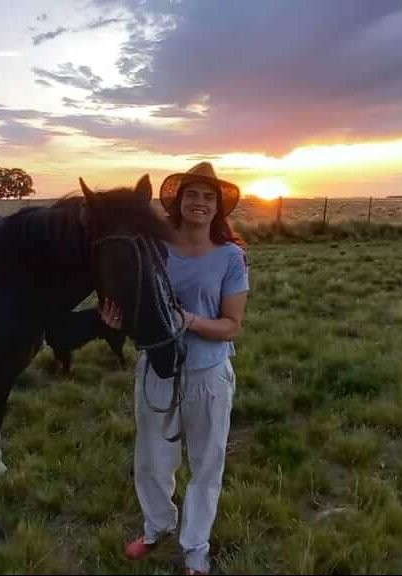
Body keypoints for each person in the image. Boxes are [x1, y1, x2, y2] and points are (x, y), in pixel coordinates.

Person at [99, 161, 249, 575]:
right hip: (156, 369)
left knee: (205, 463)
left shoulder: (231, 256)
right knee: (151, 458)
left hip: (208, 374)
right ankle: (157, 526)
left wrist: (192, 321)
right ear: (178, 202)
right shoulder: (155, 249)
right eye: (192, 195)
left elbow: (232, 325)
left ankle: (195, 548)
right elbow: (141, 309)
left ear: (218, 207)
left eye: (208, 197)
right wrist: (119, 321)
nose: (199, 203)